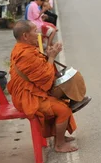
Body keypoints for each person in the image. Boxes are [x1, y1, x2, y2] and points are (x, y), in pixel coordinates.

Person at [7, 21, 85, 153]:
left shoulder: (25, 48)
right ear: (25, 36)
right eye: (35, 31)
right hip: (26, 96)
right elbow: (45, 80)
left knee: (63, 101)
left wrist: (49, 56)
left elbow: (39, 71)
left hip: (32, 90)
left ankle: (58, 136)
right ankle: (59, 145)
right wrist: (52, 57)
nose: (39, 34)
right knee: (63, 109)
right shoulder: (25, 54)